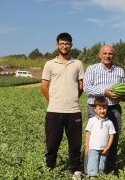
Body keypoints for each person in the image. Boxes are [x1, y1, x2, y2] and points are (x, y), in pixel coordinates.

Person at [41, 32, 84, 179]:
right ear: (57, 45)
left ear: (71, 45)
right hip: (54, 110)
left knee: (75, 144)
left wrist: (71, 99)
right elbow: (44, 86)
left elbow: (81, 86)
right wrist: (53, 101)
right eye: (62, 43)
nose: (64, 46)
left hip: (74, 111)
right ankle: (50, 167)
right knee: (52, 143)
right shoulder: (50, 64)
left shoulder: (78, 64)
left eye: (67, 43)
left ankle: (76, 170)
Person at [83, 44, 125, 173]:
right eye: (105, 53)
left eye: (110, 54)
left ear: (114, 55)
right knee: (93, 140)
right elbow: (86, 88)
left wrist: (124, 96)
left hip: (114, 108)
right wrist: (104, 92)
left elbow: (123, 88)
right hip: (95, 108)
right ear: (100, 55)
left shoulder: (120, 71)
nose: (108, 56)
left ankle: (108, 170)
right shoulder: (92, 69)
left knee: (113, 138)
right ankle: (90, 171)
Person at [85, 96, 117, 178]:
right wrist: (87, 147)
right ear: (95, 109)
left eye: (104, 108)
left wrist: (107, 148)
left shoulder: (109, 122)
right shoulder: (92, 120)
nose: (102, 111)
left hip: (104, 149)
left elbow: (112, 135)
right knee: (92, 164)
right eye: (99, 108)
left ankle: (100, 176)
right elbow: (87, 134)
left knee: (101, 167)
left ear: (107, 109)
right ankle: (92, 177)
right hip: (93, 148)